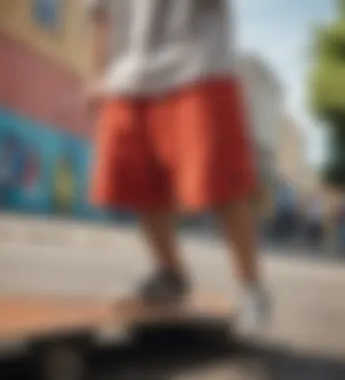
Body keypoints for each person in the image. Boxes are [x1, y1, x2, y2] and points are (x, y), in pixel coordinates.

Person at [87, 0, 270, 331]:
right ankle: (171, 273)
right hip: (127, 74)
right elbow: (100, 13)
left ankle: (251, 288)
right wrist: (98, 75)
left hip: (198, 61)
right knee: (136, 182)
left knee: (221, 183)